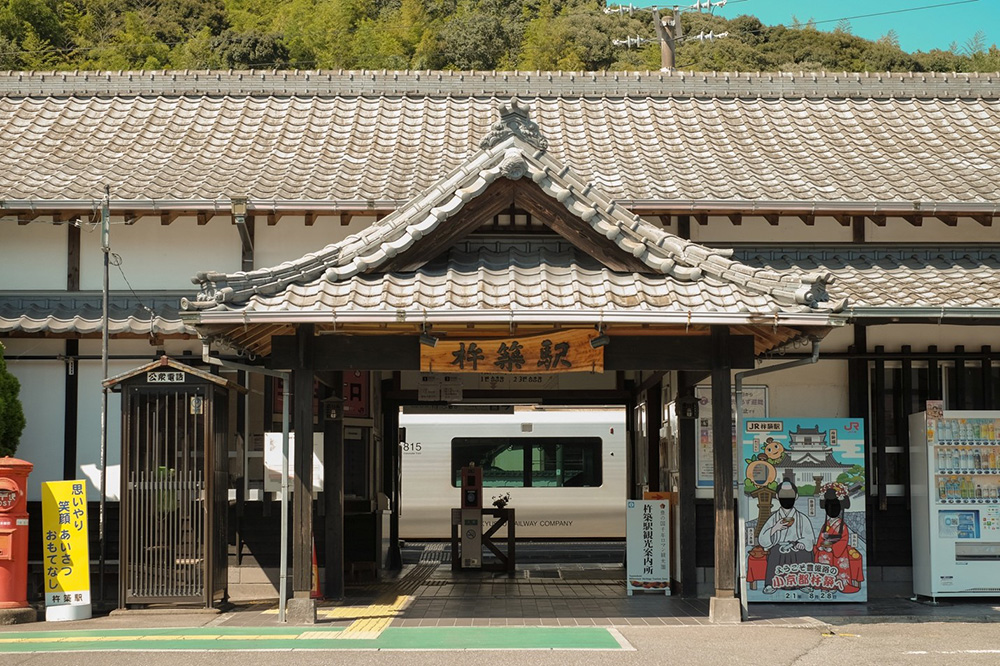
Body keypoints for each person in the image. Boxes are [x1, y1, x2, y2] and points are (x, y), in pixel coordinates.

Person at [757, 479, 815, 594]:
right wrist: (775, 528)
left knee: (805, 553)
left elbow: (810, 537)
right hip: (779, 547)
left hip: (797, 547)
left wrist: (803, 543)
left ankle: (804, 583)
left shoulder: (802, 518)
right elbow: (762, 540)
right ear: (777, 496)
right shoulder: (773, 518)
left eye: (790, 495)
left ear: (796, 496)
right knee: (775, 552)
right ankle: (771, 584)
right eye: (784, 495)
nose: (787, 498)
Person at [813, 482, 864, 594]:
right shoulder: (826, 524)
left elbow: (844, 540)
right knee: (821, 556)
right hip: (825, 550)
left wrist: (833, 548)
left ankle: (838, 584)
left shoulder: (842, 525)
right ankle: (826, 584)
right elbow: (821, 538)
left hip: (838, 551)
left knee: (839, 562)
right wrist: (820, 546)